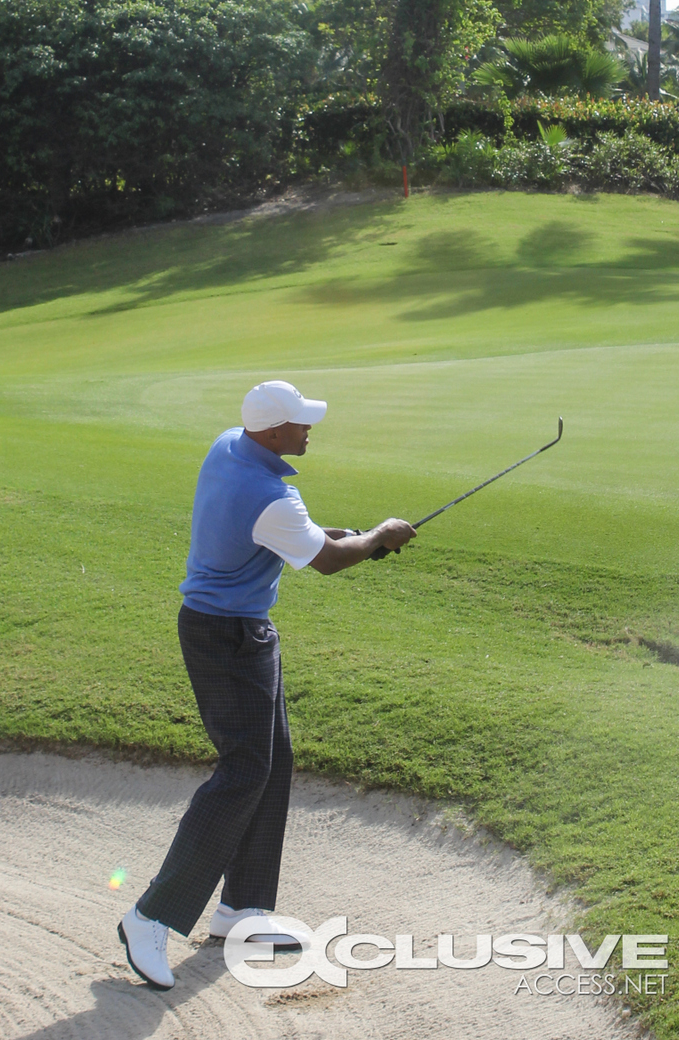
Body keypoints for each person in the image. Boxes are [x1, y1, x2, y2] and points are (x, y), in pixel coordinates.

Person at [118, 379, 416, 990]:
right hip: (227, 639)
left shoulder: (230, 445)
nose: (309, 431)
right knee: (244, 772)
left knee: (273, 763)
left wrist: (333, 534)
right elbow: (326, 561)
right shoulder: (272, 496)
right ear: (274, 432)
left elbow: (298, 539)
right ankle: (150, 916)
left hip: (233, 629)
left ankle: (243, 911)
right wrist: (379, 537)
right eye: (302, 424)